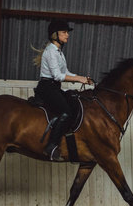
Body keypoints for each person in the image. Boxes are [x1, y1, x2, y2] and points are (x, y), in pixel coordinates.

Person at [32, 20, 91, 161]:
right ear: (55, 35)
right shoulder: (51, 51)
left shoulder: (59, 52)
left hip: (54, 87)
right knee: (65, 112)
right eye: (64, 32)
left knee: (73, 100)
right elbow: (57, 76)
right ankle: (51, 146)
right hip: (46, 88)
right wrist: (78, 80)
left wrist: (83, 77)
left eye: (67, 32)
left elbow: (65, 71)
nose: (67, 35)